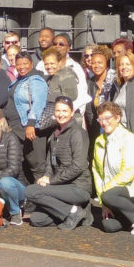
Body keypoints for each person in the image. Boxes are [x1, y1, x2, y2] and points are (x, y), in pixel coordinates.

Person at [25, 96, 92, 229]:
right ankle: (76, 213)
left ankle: (74, 212)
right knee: (37, 219)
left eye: (65, 111)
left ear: (72, 112)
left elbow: (78, 166)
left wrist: (51, 181)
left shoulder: (78, 133)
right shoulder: (55, 134)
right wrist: (46, 176)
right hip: (60, 186)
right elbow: (51, 161)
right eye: (58, 111)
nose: (61, 114)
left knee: (31, 191)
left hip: (78, 186)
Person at [91, 101, 134, 235]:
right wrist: (104, 203)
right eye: (100, 119)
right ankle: (130, 219)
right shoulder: (99, 141)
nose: (104, 122)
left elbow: (128, 173)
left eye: (108, 118)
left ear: (118, 118)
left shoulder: (129, 139)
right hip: (112, 194)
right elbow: (97, 172)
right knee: (109, 226)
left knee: (109, 195)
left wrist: (105, 194)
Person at [4, 52, 49, 181]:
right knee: (20, 164)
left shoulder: (35, 80)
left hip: (30, 129)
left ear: (31, 64)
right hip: (17, 129)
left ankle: (42, 196)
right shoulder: (20, 80)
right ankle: (26, 196)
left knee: (37, 165)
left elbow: (38, 103)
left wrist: (31, 124)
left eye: (25, 63)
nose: (22, 66)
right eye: (18, 64)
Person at [86, 45, 115, 135]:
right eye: (93, 63)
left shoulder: (114, 79)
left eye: (100, 62)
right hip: (98, 127)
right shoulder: (90, 82)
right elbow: (89, 109)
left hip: (115, 125)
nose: (96, 66)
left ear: (106, 63)